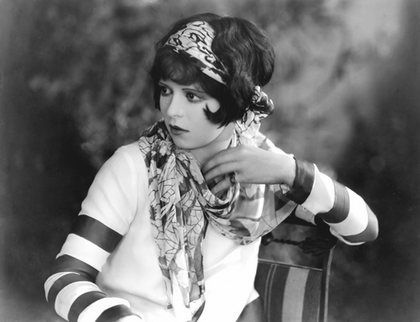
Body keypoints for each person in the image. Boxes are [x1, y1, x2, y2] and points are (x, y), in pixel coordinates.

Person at [44, 12, 378, 322]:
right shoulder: (133, 168)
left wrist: (292, 173)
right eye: (166, 90)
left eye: (192, 96)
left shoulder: (262, 166)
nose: (172, 111)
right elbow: (65, 278)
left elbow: (362, 229)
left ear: (235, 98)